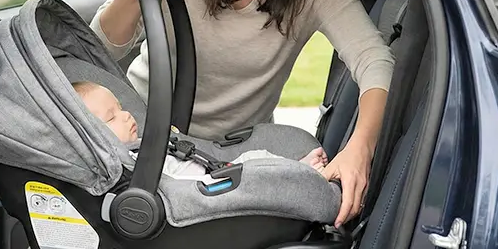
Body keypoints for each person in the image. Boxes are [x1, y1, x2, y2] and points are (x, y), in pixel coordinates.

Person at [89, 0, 394, 228]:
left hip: (236, 159)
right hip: (137, 135)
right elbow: (100, 50)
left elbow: (376, 61)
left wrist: (360, 148)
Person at [72, 81, 329, 183]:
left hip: (210, 172)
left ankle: (300, 170)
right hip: (203, 189)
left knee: (257, 156)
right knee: (256, 168)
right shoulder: (130, 166)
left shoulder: (136, 147)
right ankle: (304, 175)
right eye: (111, 117)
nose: (126, 115)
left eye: (121, 108)